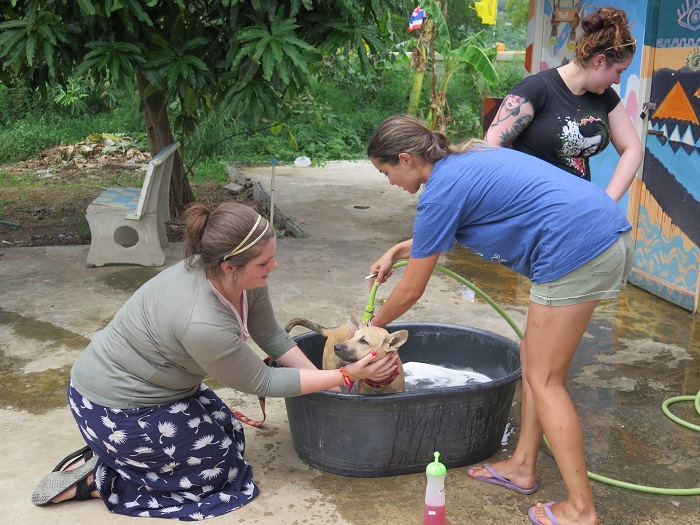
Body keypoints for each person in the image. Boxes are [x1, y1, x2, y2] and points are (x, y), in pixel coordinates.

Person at [31, 202, 397, 520]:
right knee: (221, 478)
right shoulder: (201, 320)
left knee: (229, 433)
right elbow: (263, 382)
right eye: (265, 261)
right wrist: (346, 376)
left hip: (159, 393)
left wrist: (319, 377)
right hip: (115, 406)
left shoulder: (245, 277)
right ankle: (102, 480)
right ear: (228, 266)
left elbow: (270, 335)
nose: (275, 266)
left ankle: (125, 457)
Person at [365, 114, 634, 525]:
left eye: (386, 172)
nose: (389, 182)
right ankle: (524, 465)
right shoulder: (464, 161)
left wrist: (373, 329)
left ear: (405, 158)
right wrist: (399, 250)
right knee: (532, 358)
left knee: (546, 380)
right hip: (600, 234)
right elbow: (447, 229)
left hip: (577, 249)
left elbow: (410, 291)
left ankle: (581, 509)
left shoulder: (441, 190)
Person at [485, 6, 642, 202]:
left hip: (576, 211)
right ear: (599, 61)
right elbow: (489, 148)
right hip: (530, 209)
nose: (618, 80)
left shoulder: (605, 97)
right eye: (619, 71)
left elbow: (633, 148)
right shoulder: (536, 89)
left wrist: (607, 202)